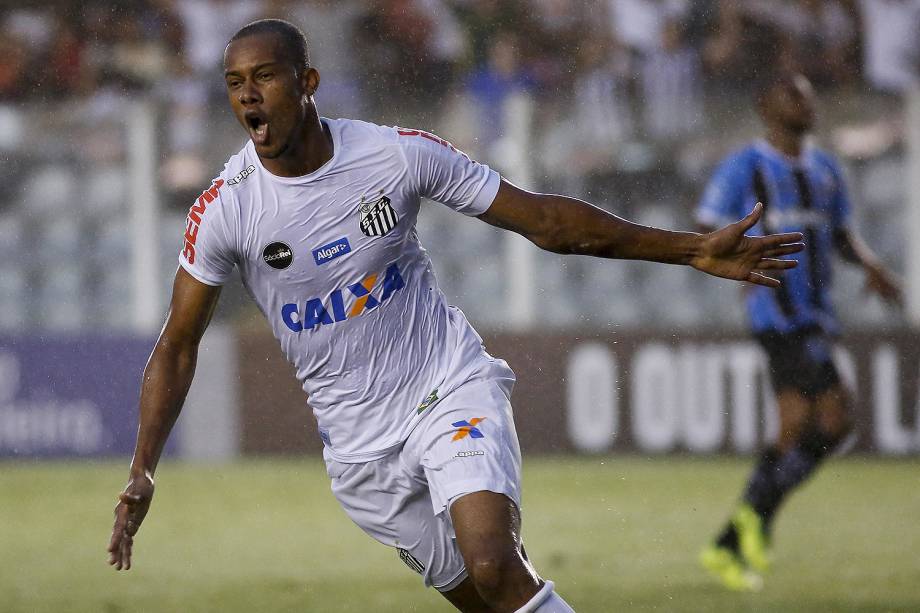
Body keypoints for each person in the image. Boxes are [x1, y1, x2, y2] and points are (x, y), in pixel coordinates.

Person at [107, 19, 804, 612]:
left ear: (308, 81)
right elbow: (177, 344)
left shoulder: (395, 155)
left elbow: (546, 222)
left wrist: (688, 250)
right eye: (235, 83)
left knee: (494, 564)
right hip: (360, 453)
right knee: (500, 596)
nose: (249, 96)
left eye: (265, 77)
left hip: (446, 386)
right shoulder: (226, 208)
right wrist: (144, 467)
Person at [696, 71, 902, 592]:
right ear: (766, 104)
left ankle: (733, 537)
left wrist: (872, 266)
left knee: (794, 431)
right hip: (778, 313)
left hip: (817, 312)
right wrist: (734, 256)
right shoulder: (746, 165)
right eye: (794, 94)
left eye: (811, 95)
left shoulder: (826, 169)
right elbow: (706, 224)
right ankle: (754, 520)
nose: (807, 103)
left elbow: (838, 235)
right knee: (836, 420)